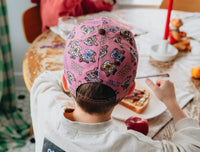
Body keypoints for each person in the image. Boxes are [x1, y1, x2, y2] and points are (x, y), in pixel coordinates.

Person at [31, 17, 200, 152]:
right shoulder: (131, 147)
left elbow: (48, 78)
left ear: (65, 82)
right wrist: (171, 102)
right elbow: (192, 147)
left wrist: (81, 70)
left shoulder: (45, 97)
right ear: (130, 90)